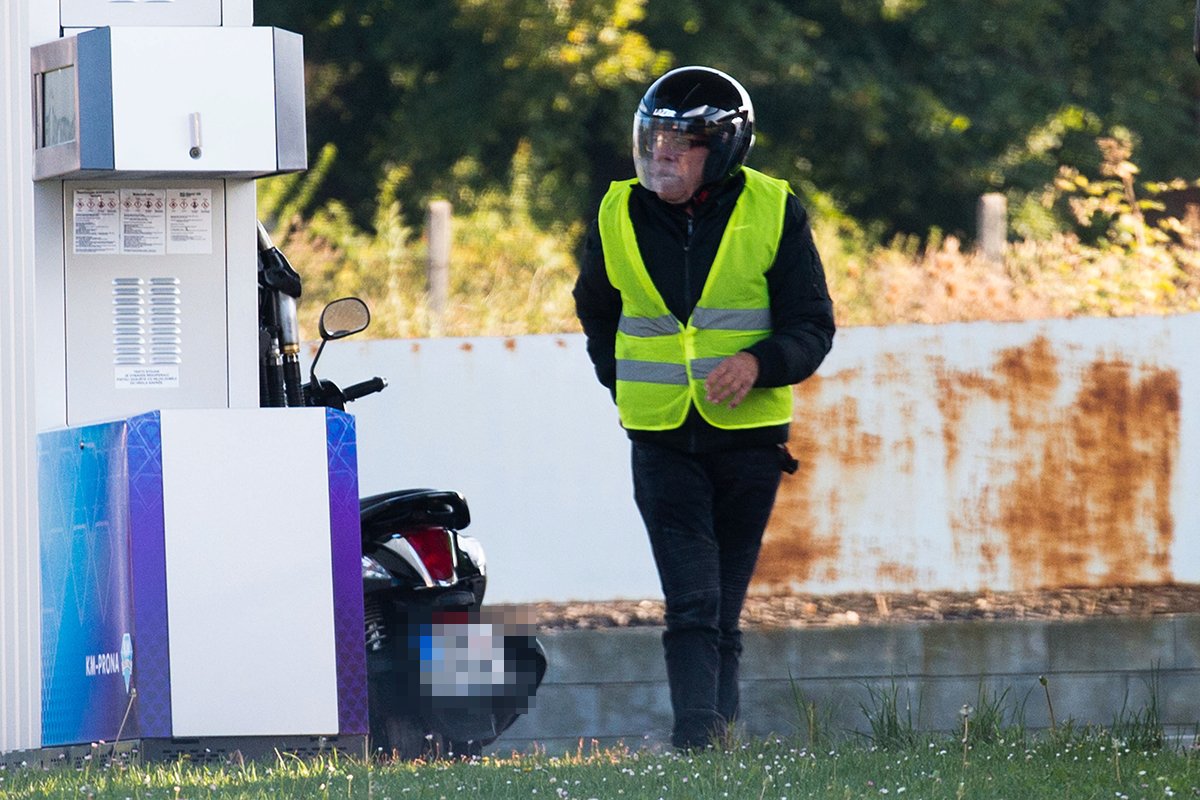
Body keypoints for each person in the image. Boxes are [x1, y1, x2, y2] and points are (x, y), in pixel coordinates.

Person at [572, 65, 836, 750]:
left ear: (720, 151)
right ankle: (698, 740)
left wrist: (758, 363)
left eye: (679, 142)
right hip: (659, 440)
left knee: (721, 611)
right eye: (654, 137)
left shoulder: (776, 209)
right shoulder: (613, 213)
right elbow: (597, 310)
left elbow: (813, 326)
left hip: (749, 444)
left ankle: (718, 743)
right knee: (692, 603)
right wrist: (618, 379)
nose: (661, 152)